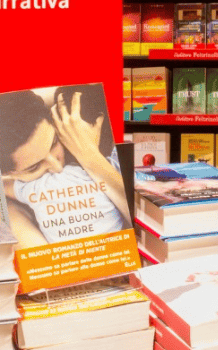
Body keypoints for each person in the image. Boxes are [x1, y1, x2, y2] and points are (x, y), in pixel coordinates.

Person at [0, 85, 132, 248]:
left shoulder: (111, 151)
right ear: (8, 173)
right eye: (34, 168)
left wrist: (90, 157)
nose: (57, 168)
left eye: (55, 142)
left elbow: (143, 221)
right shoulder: (22, 191)